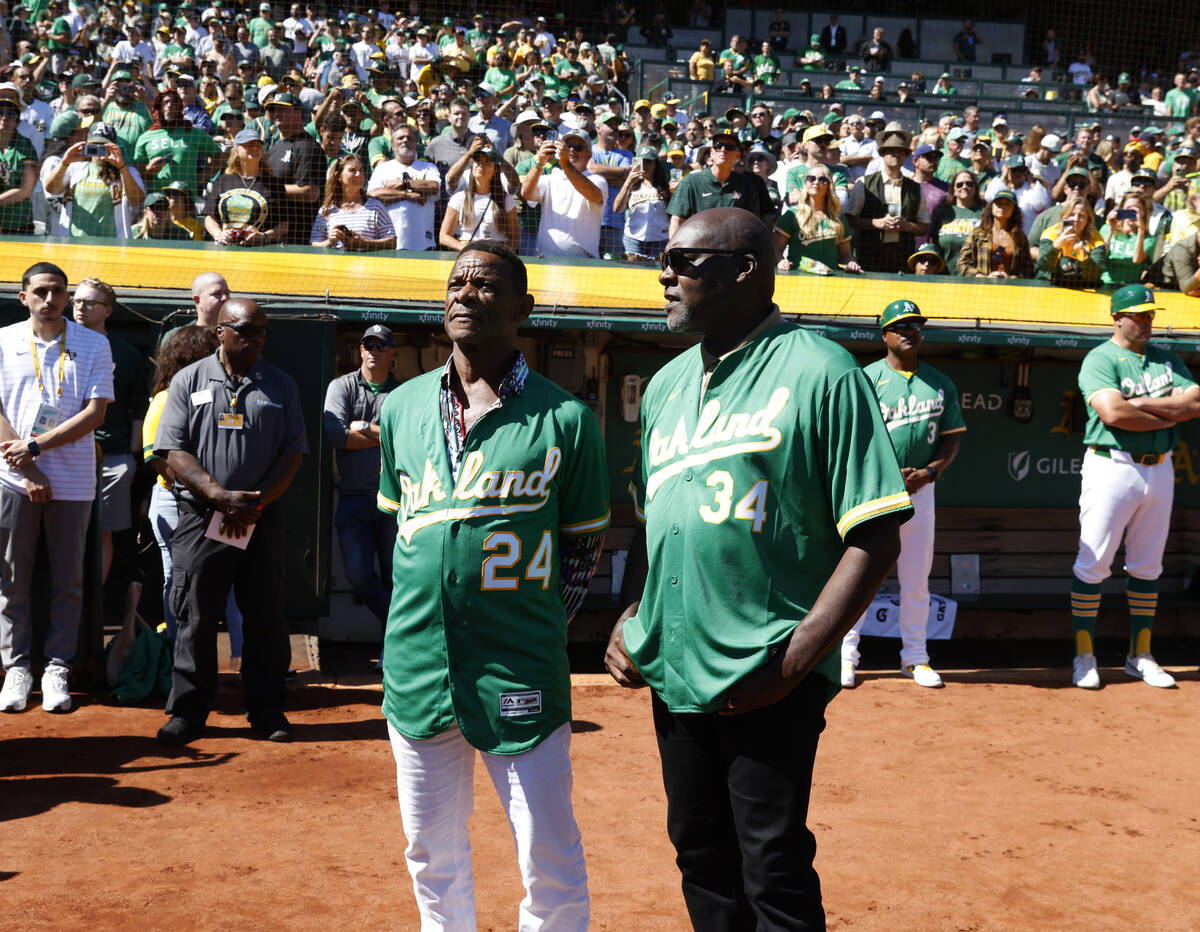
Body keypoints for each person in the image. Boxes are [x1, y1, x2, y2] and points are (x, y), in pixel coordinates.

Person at [604, 208, 909, 929]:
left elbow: (876, 535)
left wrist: (797, 660)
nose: (665, 275)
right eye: (665, 261)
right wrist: (634, 614)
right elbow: (665, 526)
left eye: (684, 262)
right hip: (676, 664)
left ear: (745, 269)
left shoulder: (822, 369)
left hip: (765, 666)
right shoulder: (666, 385)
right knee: (700, 854)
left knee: (770, 864)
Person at [376, 240, 609, 929]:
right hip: (418, 664)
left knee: (547, 850)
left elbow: (583, 546)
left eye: (484, 286)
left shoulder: (565, 418)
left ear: (522, 309)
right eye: (456, 283)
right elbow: (405, 528)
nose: (464, 296)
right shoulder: (401, 408)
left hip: (519, 664)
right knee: (429, 850)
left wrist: (538, 622)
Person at [153, 298, 308, 745]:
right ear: (221, 331)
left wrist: (253, 506)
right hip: (202, 516)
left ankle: (266, 709)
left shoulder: (281, 385)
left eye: (263, 332)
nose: (256, 339)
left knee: (265, 617)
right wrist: (219, 496)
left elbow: (293, 453)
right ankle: (188, 711)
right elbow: (174, 451)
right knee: (196, 615)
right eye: (246, 330)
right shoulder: (189, 379)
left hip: (260, 516)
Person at [1070, 284, 1200, 690]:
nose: (1147, 321)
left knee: (1147, 567)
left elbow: (1195, 405)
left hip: (1159, 468)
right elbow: (1112, 413)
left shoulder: (1168, 359)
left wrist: (1140, 405)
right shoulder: (1101, 358)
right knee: (1093, 566)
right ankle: (1084, 656)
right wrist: (1167, 413)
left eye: (1150, 314)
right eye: (1139, 315)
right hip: (1112, 466)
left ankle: (1139, 655)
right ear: (1118, 317)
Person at [0, 263, 113, 714]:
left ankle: (57, 667)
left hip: (72, 480)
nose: (51, 299)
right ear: (23, 296)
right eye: (42, 291)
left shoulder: (95, 342)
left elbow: (95, 414)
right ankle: (17, 669)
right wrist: (25, 465)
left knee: (69, 580)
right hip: (11, 476)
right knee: (12, 577)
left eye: (59, 292)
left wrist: (35, 447)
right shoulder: (4, 340)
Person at [841, 301, 965, 689]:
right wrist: (886, 473)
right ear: (885, 335)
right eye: (900, 326)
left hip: (920, 491)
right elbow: (852, 439)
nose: (909, 331)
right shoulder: (867, 379)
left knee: (916, 579)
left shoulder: (940, 382)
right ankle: (846, 654)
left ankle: (915, 657)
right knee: (860, 576)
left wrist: (929, 472)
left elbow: (950, 441)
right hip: (875, 493)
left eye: (915, 325)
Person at [143, 325, 243, 670]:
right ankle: (179, 659)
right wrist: (201, 493)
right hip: (177, 503)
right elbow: (156, 456)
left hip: (220, 505)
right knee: (178, 579)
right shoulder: (165, 397)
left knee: (230, 580)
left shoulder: (223, 392)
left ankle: (242, 658)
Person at [322, 324, 399, 661]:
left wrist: (364, 427)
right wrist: (382, 435)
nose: (373, 351)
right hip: (353, 497)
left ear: (392, 354)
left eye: (381, 346)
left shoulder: (403, 392)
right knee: (358, 576)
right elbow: (337, 436)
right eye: (368, 345)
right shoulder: (341, 387)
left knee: (396, 577)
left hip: (395, 500)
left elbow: (404, 440)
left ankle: (393, 650)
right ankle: (403, 632)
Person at [69, 278, 148, 584]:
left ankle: (94, 607)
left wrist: (132, 457)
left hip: (112, 458)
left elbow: (138, 408)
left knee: (103, 532)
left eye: (90, 302)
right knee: (65, 532)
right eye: (76, 300)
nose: (81, 307)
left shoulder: (126, 354)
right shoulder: (58, 345)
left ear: (108, 310)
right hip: (61, 454)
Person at [846, 122, 929, 273]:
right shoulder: (864, 183)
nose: (896, 155)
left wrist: (907, 226)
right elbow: (850, 220)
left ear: (906, 156)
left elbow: (923, 227)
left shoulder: (915, 188)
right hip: (869, 257)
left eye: (901, 151)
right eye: (891, 151)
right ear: (882, 154)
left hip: (903, 258)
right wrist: (876, 223)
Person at [520, 128, 607, 258]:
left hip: (584, 263)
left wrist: (566, 164)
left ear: (589, 154)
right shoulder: (549, 179)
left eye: (577, 146)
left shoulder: (597, 180)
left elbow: (593, 195)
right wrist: (540, 161)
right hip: (546, 259)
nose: (571, 150)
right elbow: (526, 193)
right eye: (568, 146)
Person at [667, 129, 770, 237]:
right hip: (699, 250)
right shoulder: (691, 182)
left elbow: (754, 224)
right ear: (711, 153)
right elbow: (677, 221)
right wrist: (673, 251)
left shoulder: (747, 185)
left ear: (737, 155)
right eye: (718, 145)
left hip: (735, 250)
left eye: (729, 147)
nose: (723, 150)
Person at [203, 128, 288, 246]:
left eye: (258, 145)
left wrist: (264, 237)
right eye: (248, 145)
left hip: (260, 250)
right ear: (236, 151)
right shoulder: (223, 180)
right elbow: (209, 217)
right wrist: (218, 234)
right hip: (225, 249)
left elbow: (284, 224)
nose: (255, 148)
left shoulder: (274, 184)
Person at [367, 122, 441, 251]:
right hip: (388, 242)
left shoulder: (428, 167)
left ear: (416, 144)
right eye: (400, 138)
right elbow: (373, 195)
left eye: (410, 138)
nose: (405, 140)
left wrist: (403, 183)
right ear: (392, 144)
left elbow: (434, 187)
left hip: (423, 243)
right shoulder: (382, 169)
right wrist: (407, 195)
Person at [774, 163, 861, 273]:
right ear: (806, 182)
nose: (816, 182)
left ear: (829, 185)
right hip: (798, 280)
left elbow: (846, 255)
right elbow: (775, 250)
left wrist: (851, 263)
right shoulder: (792, 215)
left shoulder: (838, 217)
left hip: (831, 280)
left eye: (822, 179)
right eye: (811, 178)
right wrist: (781, 261)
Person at [264, 91, 324, 245]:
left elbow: (310, 193)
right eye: (273, 110)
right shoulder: (274, 148)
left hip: (299, 236)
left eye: (283, 109)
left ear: (298, 112)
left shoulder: (308, 147)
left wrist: (268, 188)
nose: (277, 114)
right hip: (273, 234)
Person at [311, 154, 396, 250]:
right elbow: (314, 245)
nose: (358, 174)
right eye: (352, 170)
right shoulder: (326, 211)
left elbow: (392, 242)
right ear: (338, 176)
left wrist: (363, 244)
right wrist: (330, 241)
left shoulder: (376, 207)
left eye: (360, 170)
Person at [439, 147, 517, 250]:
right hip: (468, 253)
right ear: (472, 166)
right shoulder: (459, 198)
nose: (481, 165)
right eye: (478, 161)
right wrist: (464, 248)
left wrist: (498, 251)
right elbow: (444, 236)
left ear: (495, 170)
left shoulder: (507, 200)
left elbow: (515, 239)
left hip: (495, 255)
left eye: (487, 162)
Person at [958, 189, 1034, 279]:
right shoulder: (977, 234)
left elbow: (1028, 269)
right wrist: (982, 277)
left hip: (1011, 289)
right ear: (991, 207)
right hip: (981, 288)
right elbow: (962, 262)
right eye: (999, 203)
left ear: (1014, 210)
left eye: (1008, 204)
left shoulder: (1020, 238)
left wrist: (1012, 278)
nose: (1002, 207)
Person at [613, 145, 671, 262]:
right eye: (642, 161)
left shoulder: (666, 186)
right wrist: (628, 181)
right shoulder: (632, 185)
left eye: (648, 162)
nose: (645, 166)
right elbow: (617, 208)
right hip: (633, 239)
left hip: (659, 239)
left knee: (656, 275)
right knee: (631, 274)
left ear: (656, 164)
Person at [1037, 195, 1106, 286]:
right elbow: (1043, 267)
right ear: (1063, 217)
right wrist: (1056, 246)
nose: (1076, 219)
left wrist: (1084, 256)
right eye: (1071, 215)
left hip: (1083, 287)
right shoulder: (1050, 234)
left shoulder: (1096, 239)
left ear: (1088, 220)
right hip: (1050, 285)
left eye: (1081, 216)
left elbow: (1094, 276)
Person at [931, 170, 985, 275]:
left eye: (969, 184)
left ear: (975, 188)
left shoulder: (984, 213)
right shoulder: (943, 212)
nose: (964, 187)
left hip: (975, 277)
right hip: (944, 277)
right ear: (954, 190)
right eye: (959, 185)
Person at [1101, 192, 1154, 285]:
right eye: (1128, 209)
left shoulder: (1148, 239)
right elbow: (1101, 256)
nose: (1132, 212)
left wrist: (1141, 230)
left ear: (1143, 212)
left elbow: (1136, 259)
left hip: (1130, 286)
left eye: (1136, 209)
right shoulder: (1106, 229)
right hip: (1104, 283)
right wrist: (1111, 229)